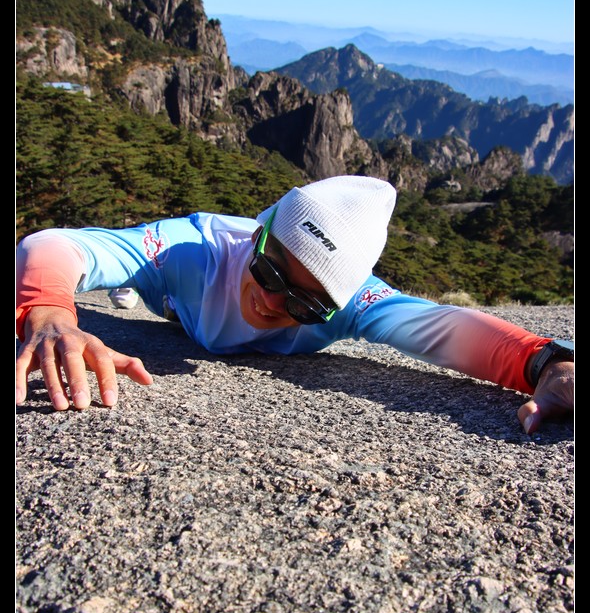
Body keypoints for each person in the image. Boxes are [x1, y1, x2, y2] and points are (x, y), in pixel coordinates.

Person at [16, 175, 573, 434]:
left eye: (304, 303)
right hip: (172, 292)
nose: (269, 300)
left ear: (335, 304)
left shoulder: (349, 302)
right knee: (136, 279)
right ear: (256, 236)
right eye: (269, 271)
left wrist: (551, 363)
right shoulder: (193, 252)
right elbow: (53, 245)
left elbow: (445, 329)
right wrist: (51, 314)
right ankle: (130, 286)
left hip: (186, 303)